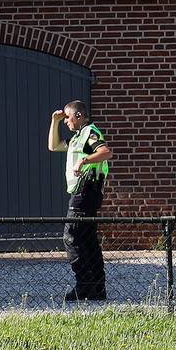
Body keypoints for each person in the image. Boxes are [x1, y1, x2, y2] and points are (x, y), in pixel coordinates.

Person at [48, 100, 113, 301]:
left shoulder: (89, 133)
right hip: (84, 193)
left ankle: (84, 286)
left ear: (78, 116)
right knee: (88, 240)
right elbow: (54, 146)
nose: (66, 121)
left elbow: (106, 152)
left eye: (67, 118)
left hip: (86, 191)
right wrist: (55, 121)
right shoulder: (77, 138)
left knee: (71, 236)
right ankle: (97, 289)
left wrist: (84, 161)